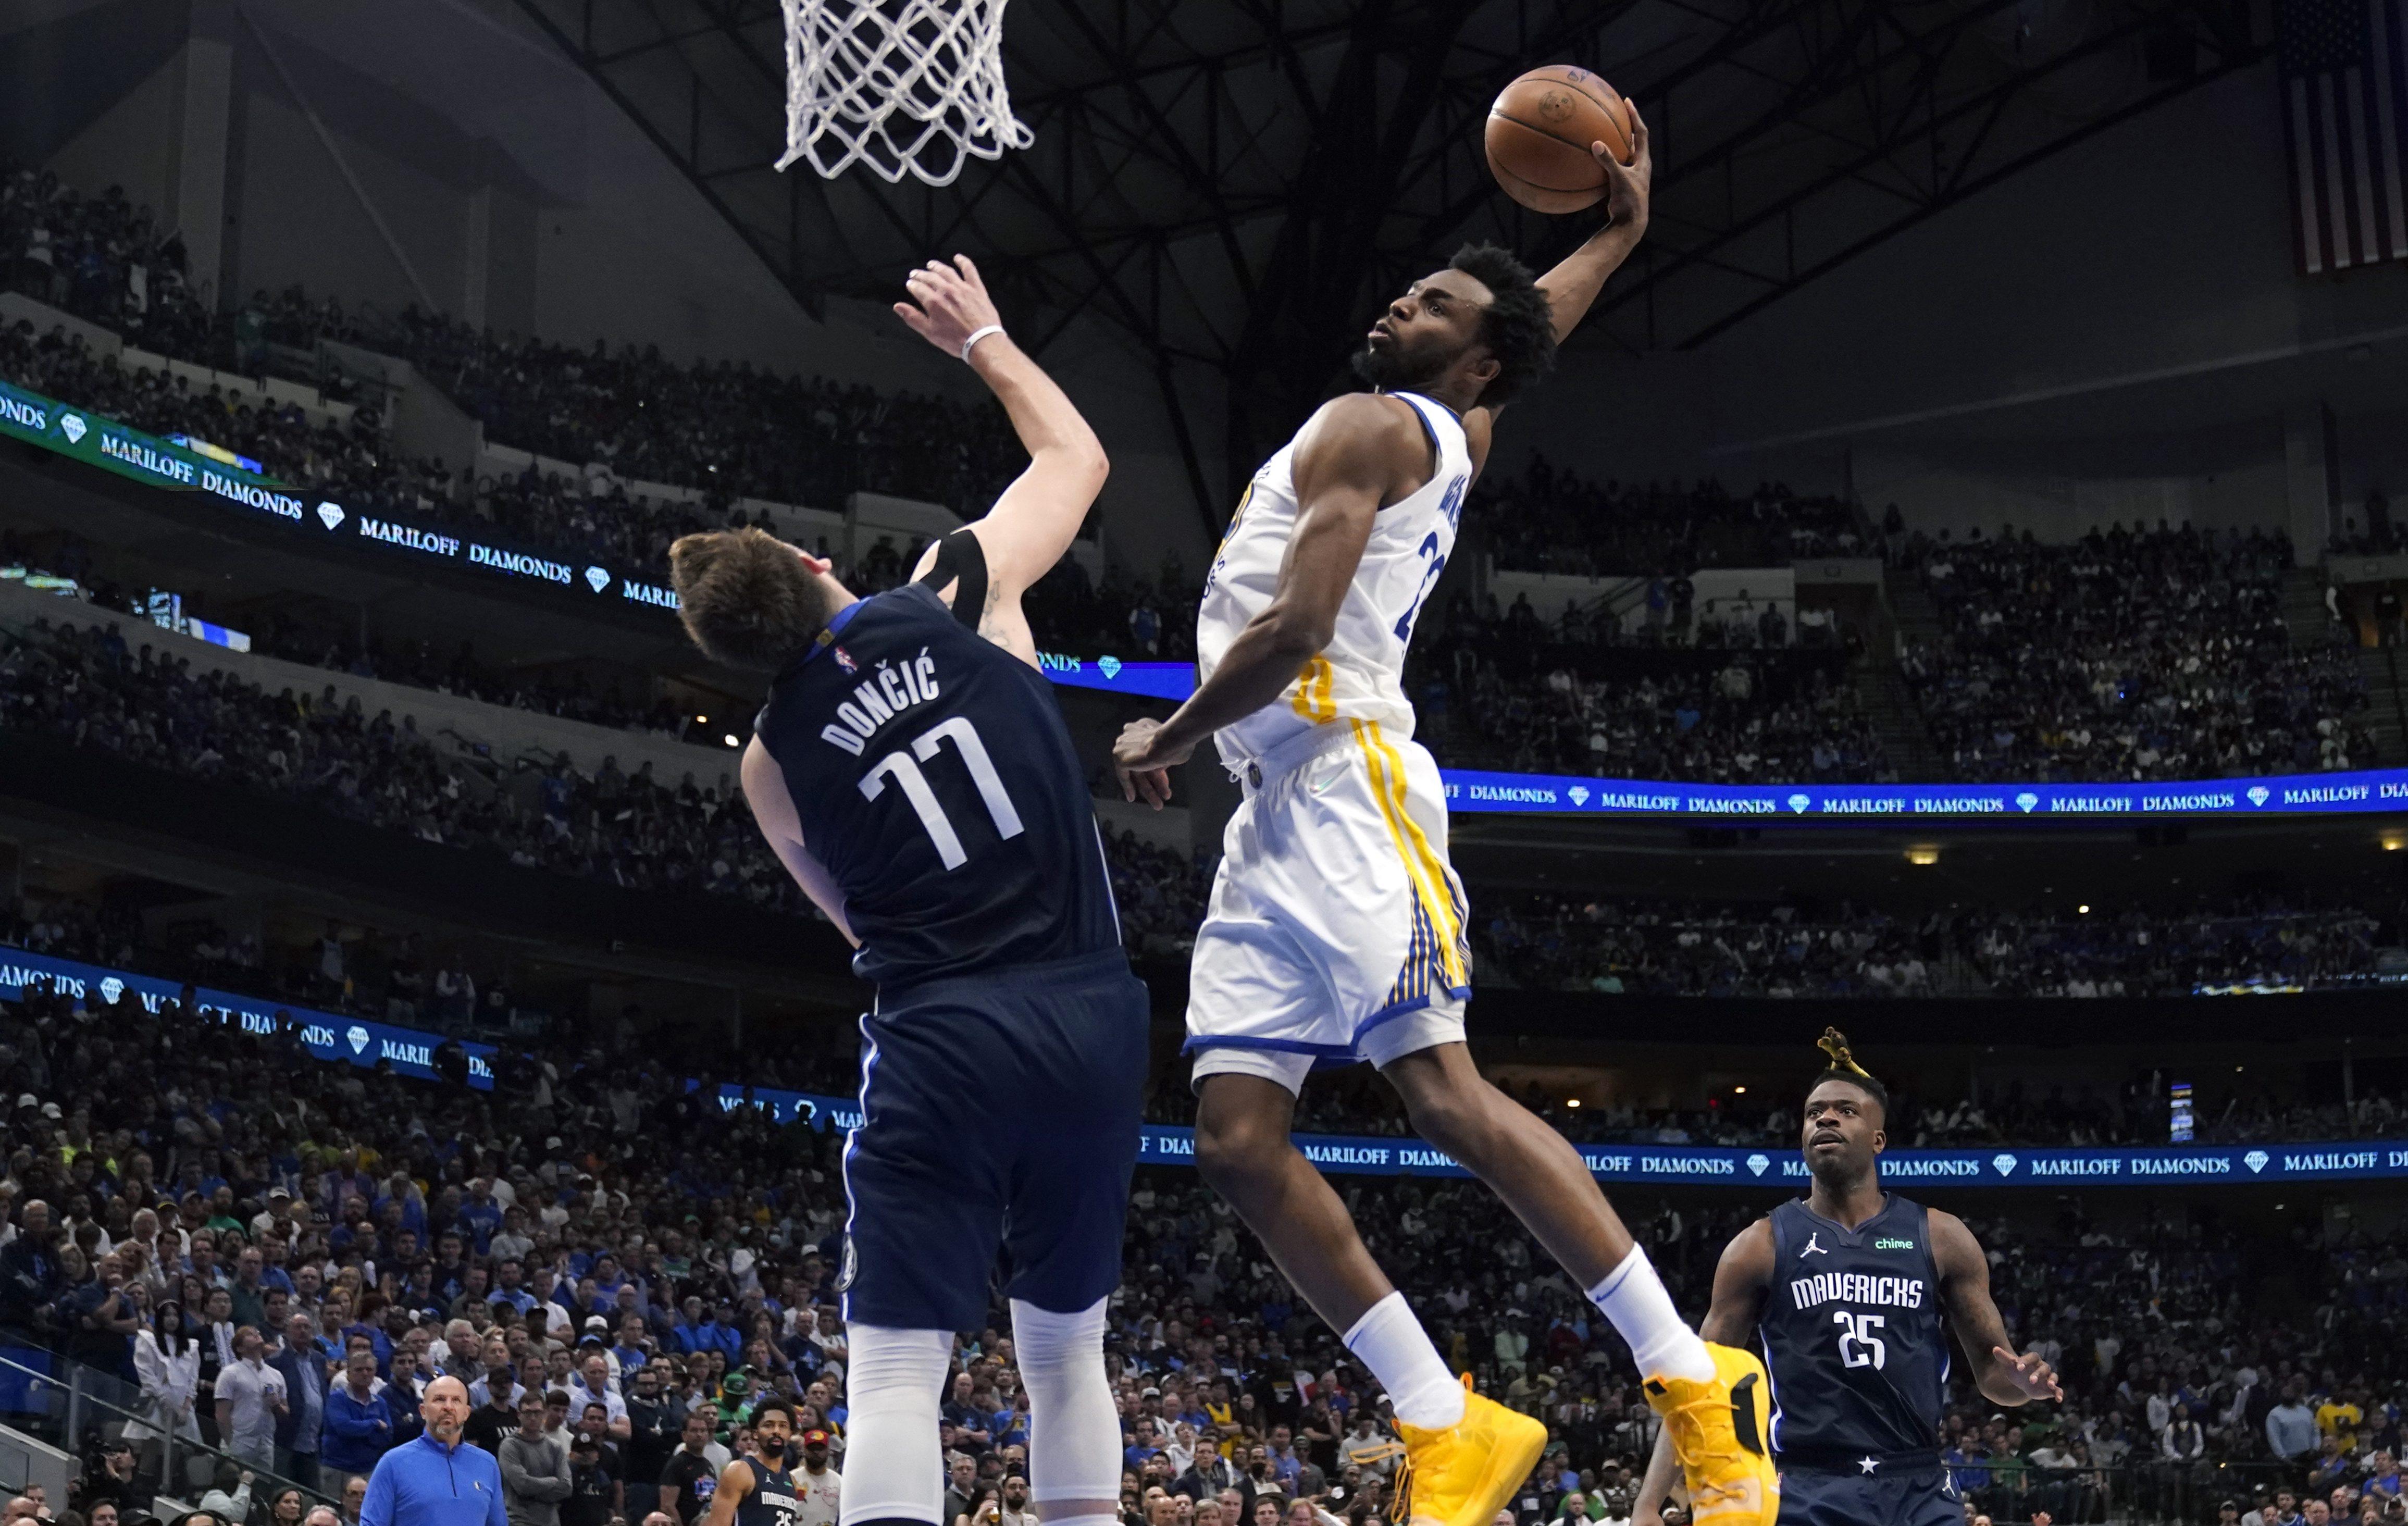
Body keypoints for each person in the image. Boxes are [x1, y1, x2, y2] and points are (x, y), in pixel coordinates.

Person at [1107, 107, 1764, 1526]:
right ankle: (1443, 1417)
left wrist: (1163, 732)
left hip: (1344, 781)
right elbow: (1535, 331)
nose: (1397, 300)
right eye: (1411, 287)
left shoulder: (1362, 425)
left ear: (1463, 356)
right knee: (1231, 1137)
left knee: (1445, 1097)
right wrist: (1612, 234)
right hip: (1273, 810)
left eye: (1433, 304)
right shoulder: (1448, 422)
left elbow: (1292, 631)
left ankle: (1696, 1387)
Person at [667, 255, 1145, 1526]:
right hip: (1089, 1009)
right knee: (1063, 1347)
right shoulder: (952, 590)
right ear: (816, 562)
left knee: (894, 1365)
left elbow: (857, 926)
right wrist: (983, 335)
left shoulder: (769, 770)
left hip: (943, 1029)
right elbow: (1079, 463)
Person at [1630, 1031, 2062, 1526]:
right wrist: (1647, 1502)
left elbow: (1994, 1378)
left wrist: (2021, 1386)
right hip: (1809, 1486)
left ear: (1879, 1139)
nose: (1826, 1118)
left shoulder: (1942, 1236)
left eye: (1846, 1110)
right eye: (1814, 1113)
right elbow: (1696, 1381)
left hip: (1919, 1484)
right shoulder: (1760, 1245)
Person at [359, 1375, 507, 1526]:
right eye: (439, 1399)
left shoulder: (487, 1463)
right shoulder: (393, 1463)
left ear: (467, 1413)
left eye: (456, 1400)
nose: (448, 1407)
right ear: (423, 1411)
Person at [697, 1398, 801, 1526]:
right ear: (755, 1434)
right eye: (769, 1425)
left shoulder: (791, 1481)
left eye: (783, 1426)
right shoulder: (740, 1471)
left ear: (790, 1434)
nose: (776, 1431)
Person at [214, 1325, 287, 1471]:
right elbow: (222, 1414)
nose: (256, 1334)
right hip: (240, 1441)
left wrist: (276, 1405)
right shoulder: (230, 1373)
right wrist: (231, 1444)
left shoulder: (276, 1375)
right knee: (234, 1484)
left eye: (258, 1332)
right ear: (240, 1348)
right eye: (250, 1334)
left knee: (262, 1488)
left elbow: (286, 1412)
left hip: (266, 1443)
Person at [502, 1395, 574, 1526]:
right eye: (528, 1413)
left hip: (551, 1522)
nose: (533, 1418)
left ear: (545, 1414)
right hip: (520, 1521)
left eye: (537, 1413)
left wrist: (531, 1493)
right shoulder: (510, 1446)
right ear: (519, 1415)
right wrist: (551, 1481)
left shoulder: (555, 1447)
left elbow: (566, 1487)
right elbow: (522, 1485)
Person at [325, 1349, 396, 1478]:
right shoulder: (337, 1399)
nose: (365, 1374)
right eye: (359, 1370)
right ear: (348, 1374)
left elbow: (388, 1435)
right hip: (338, 1468)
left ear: (375, 1373)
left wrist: (362, 1431)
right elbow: (345, 1428)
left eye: (369, 1370)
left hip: (369, 1469)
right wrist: (374, 1424)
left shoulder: (380, 1403)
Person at [660, 1410, 727, 1526]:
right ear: (684, 1435)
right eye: (694, 1430)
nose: (699, 1435)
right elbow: (667, 1506)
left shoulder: (708, 1465)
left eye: (703, 1430)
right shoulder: (677, 1464)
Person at [793, 1430, 840, 1526]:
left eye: (820, 1448)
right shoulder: (792, 1478)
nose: (816, 1452)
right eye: (812, 1448)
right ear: (804, 1449)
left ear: (828, 1450)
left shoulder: (839, 1482)